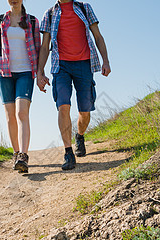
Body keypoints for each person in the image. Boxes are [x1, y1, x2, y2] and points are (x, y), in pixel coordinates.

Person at [37, 0, 111, 171]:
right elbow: (45, 46)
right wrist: (40, 72)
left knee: (85, 110)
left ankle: (80, 136)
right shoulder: (49, 14)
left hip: (84, 64)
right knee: (63, 105)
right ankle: (68, 152)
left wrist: (105, 60)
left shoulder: (84, 8)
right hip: (60, 66)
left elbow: (98, 36)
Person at [0, 0, 41, 173]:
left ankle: (24, 156)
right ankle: (16, 153)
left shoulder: (32, 21)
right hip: (4, 73)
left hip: (26, 72)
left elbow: (39, 48)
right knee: (10, 116)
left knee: (21, 112)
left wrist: (40, 73)